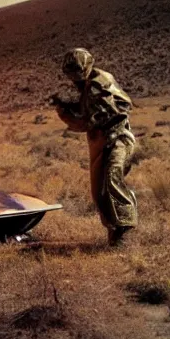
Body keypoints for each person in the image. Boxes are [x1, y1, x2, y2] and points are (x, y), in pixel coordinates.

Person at [51, 48, 138, 247]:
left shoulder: (99, 85)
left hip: (117, 140)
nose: (75, 81)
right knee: (100, 191)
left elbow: (88, 121)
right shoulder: (91, 86)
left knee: (112, 180)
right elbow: (87, 114)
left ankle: (126, 231)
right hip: (102, 143)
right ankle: (115, 234)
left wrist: (64, 113)